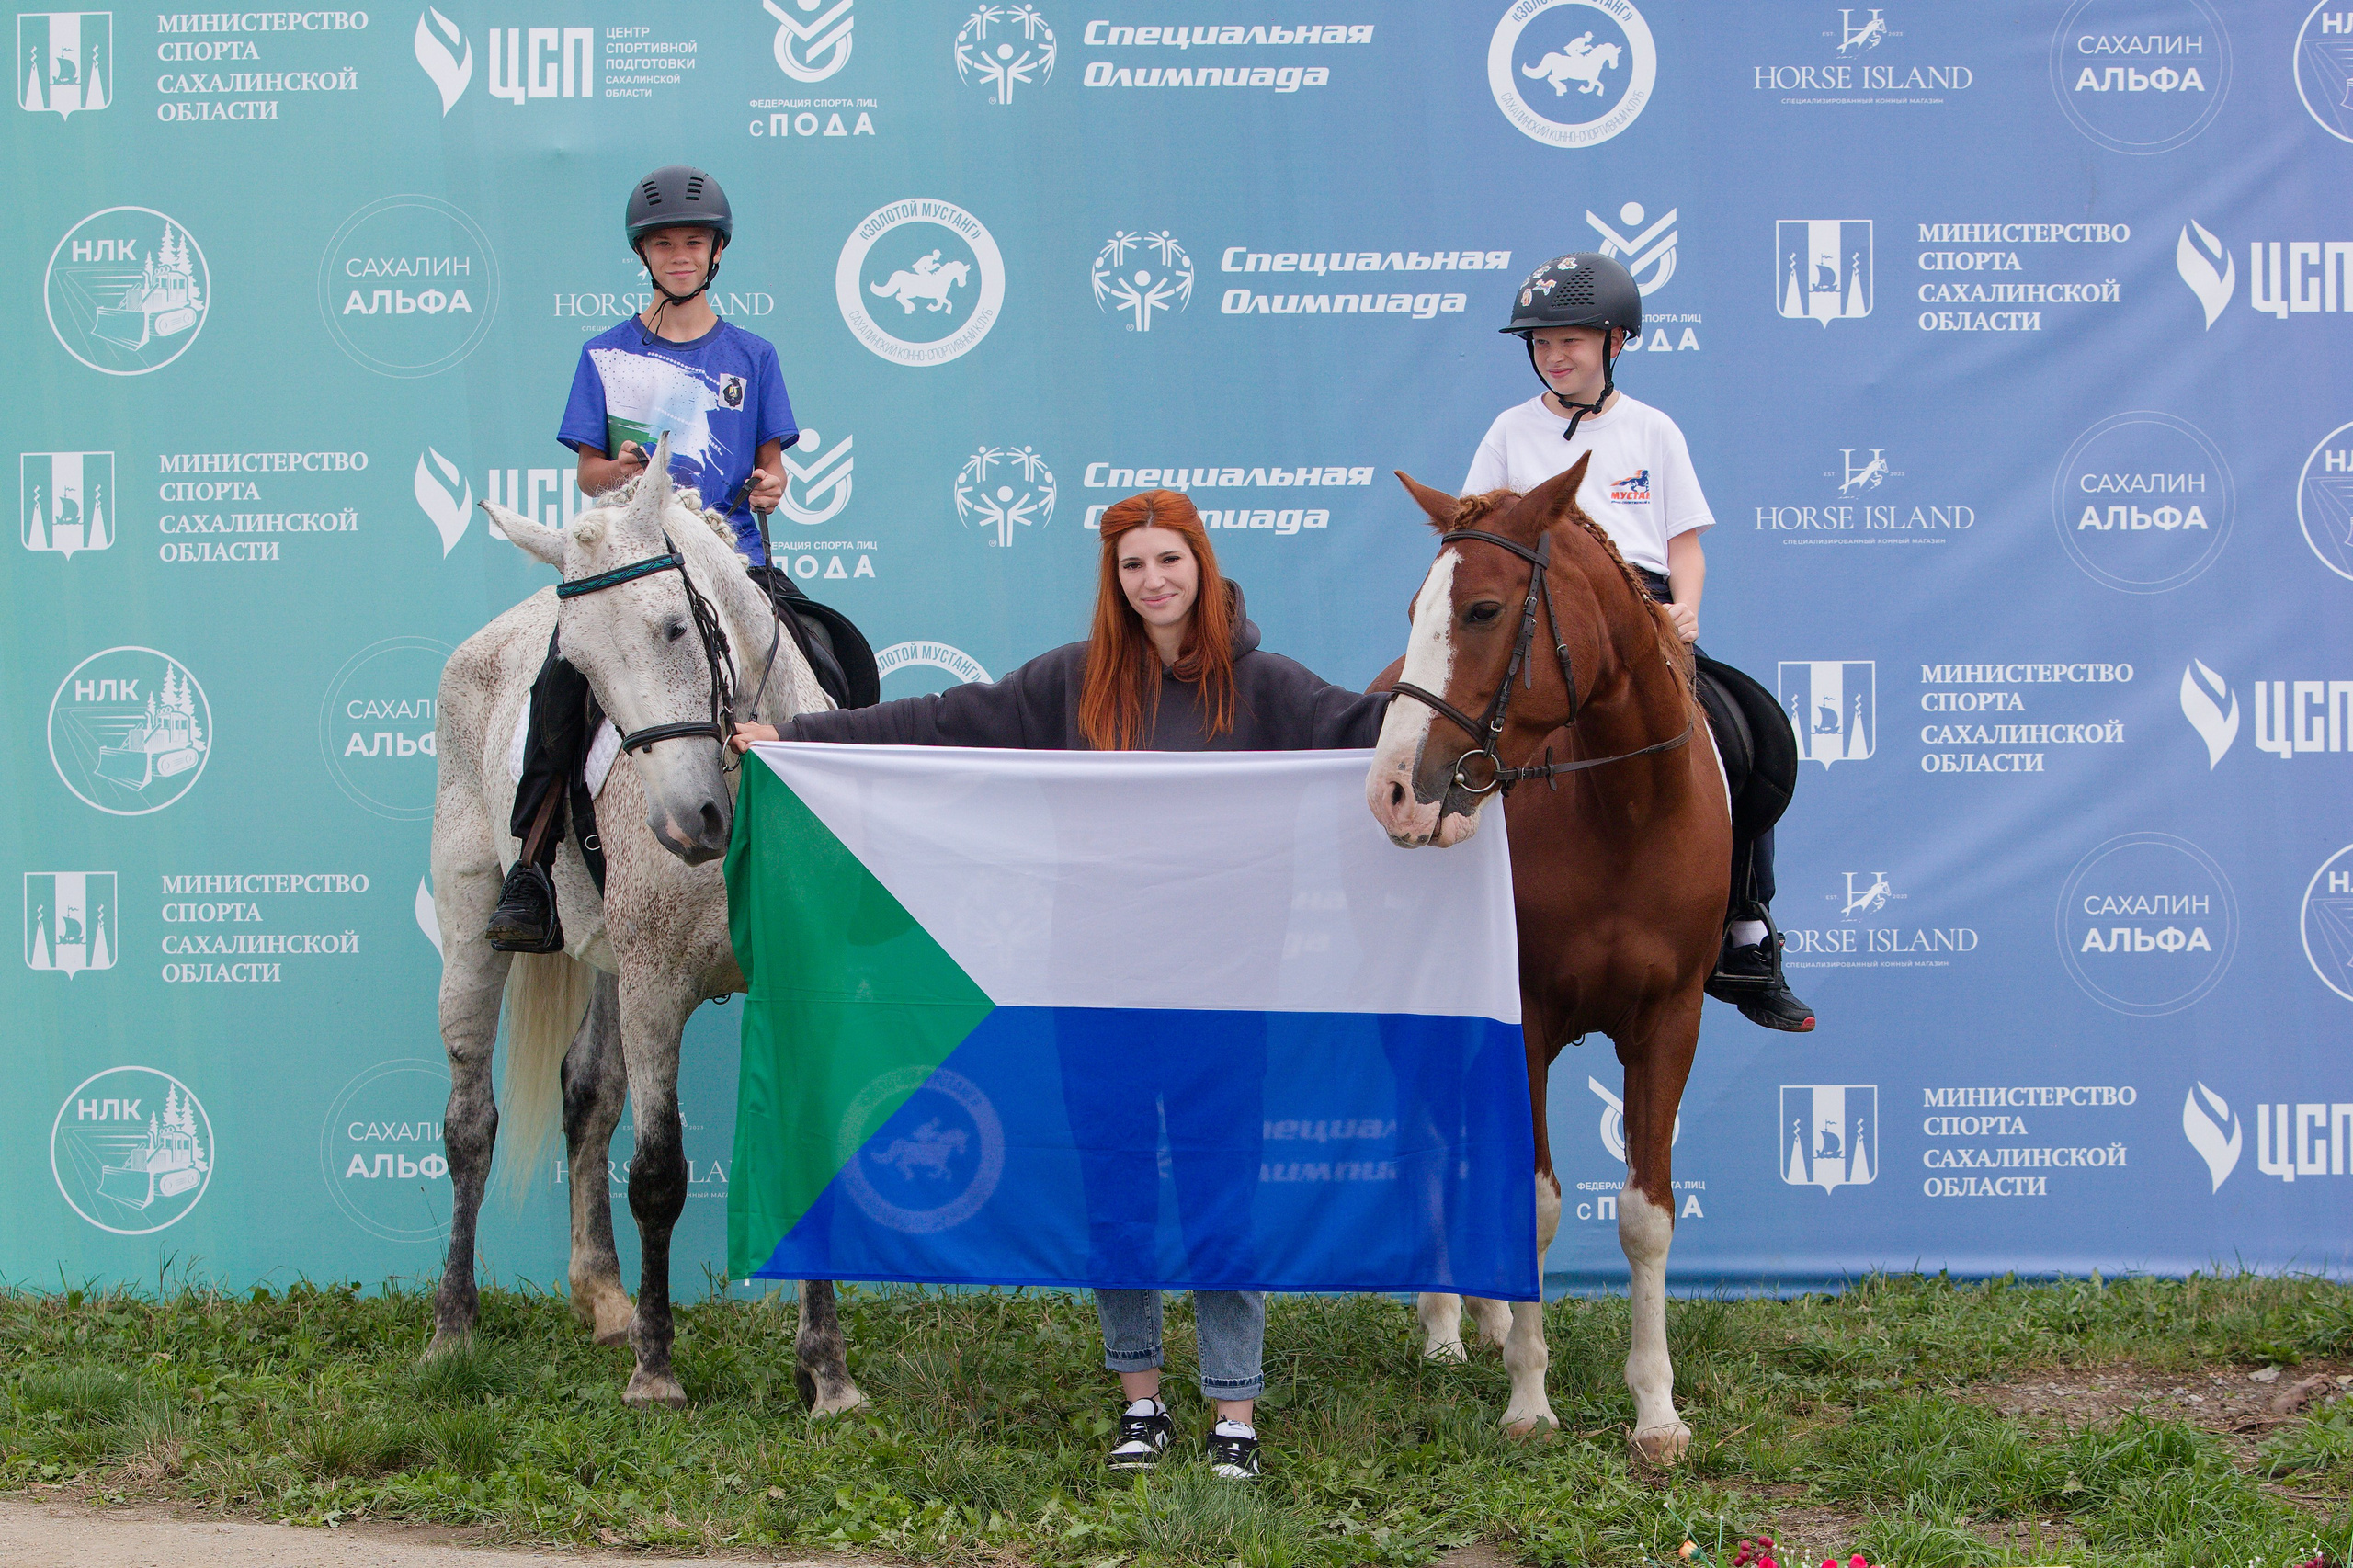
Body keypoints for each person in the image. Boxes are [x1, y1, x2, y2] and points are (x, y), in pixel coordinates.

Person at [731, 490, 1390, 1479]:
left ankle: (1234, 1413)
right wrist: (808, 739)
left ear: (1202, 565)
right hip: (1098, 990)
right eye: (1132, 566)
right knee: (1115, 1191)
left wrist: (1486, 737)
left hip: (1225, 998)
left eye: (1169, 559)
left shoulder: (1269, 685)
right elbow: (947, 719)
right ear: (1113, 580)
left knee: (1222, 1197)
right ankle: (1141, 1401)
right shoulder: (1075, 680)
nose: (1152, 580)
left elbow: (1375, 730)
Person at [1461, 252, 1815, 1033]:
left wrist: (1685, 610)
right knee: (1471, 723)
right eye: (1542, 344)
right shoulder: (1508, 432)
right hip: (1543, 621)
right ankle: (1461, 912)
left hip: (1644, 619)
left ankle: (1745, 926)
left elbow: (1684, 545)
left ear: (1615, 342)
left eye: (1573, 341)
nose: (1556, 356)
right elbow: (1478, 532)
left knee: (1736, 732)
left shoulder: (1653, 429)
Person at [485, 165, 803, 953]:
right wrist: (618, 473)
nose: (680, 257)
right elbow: (588, 472)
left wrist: (771, 484)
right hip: (636, 559)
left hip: (731, 558)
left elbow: (774, 466)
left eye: (693, 243)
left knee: (834, 654)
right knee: (561, 679)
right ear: (645, 256)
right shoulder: (606, 353)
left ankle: (844, 840)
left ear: (717, 252)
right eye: (664, 246)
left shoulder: (752, 354)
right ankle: (530, 869)